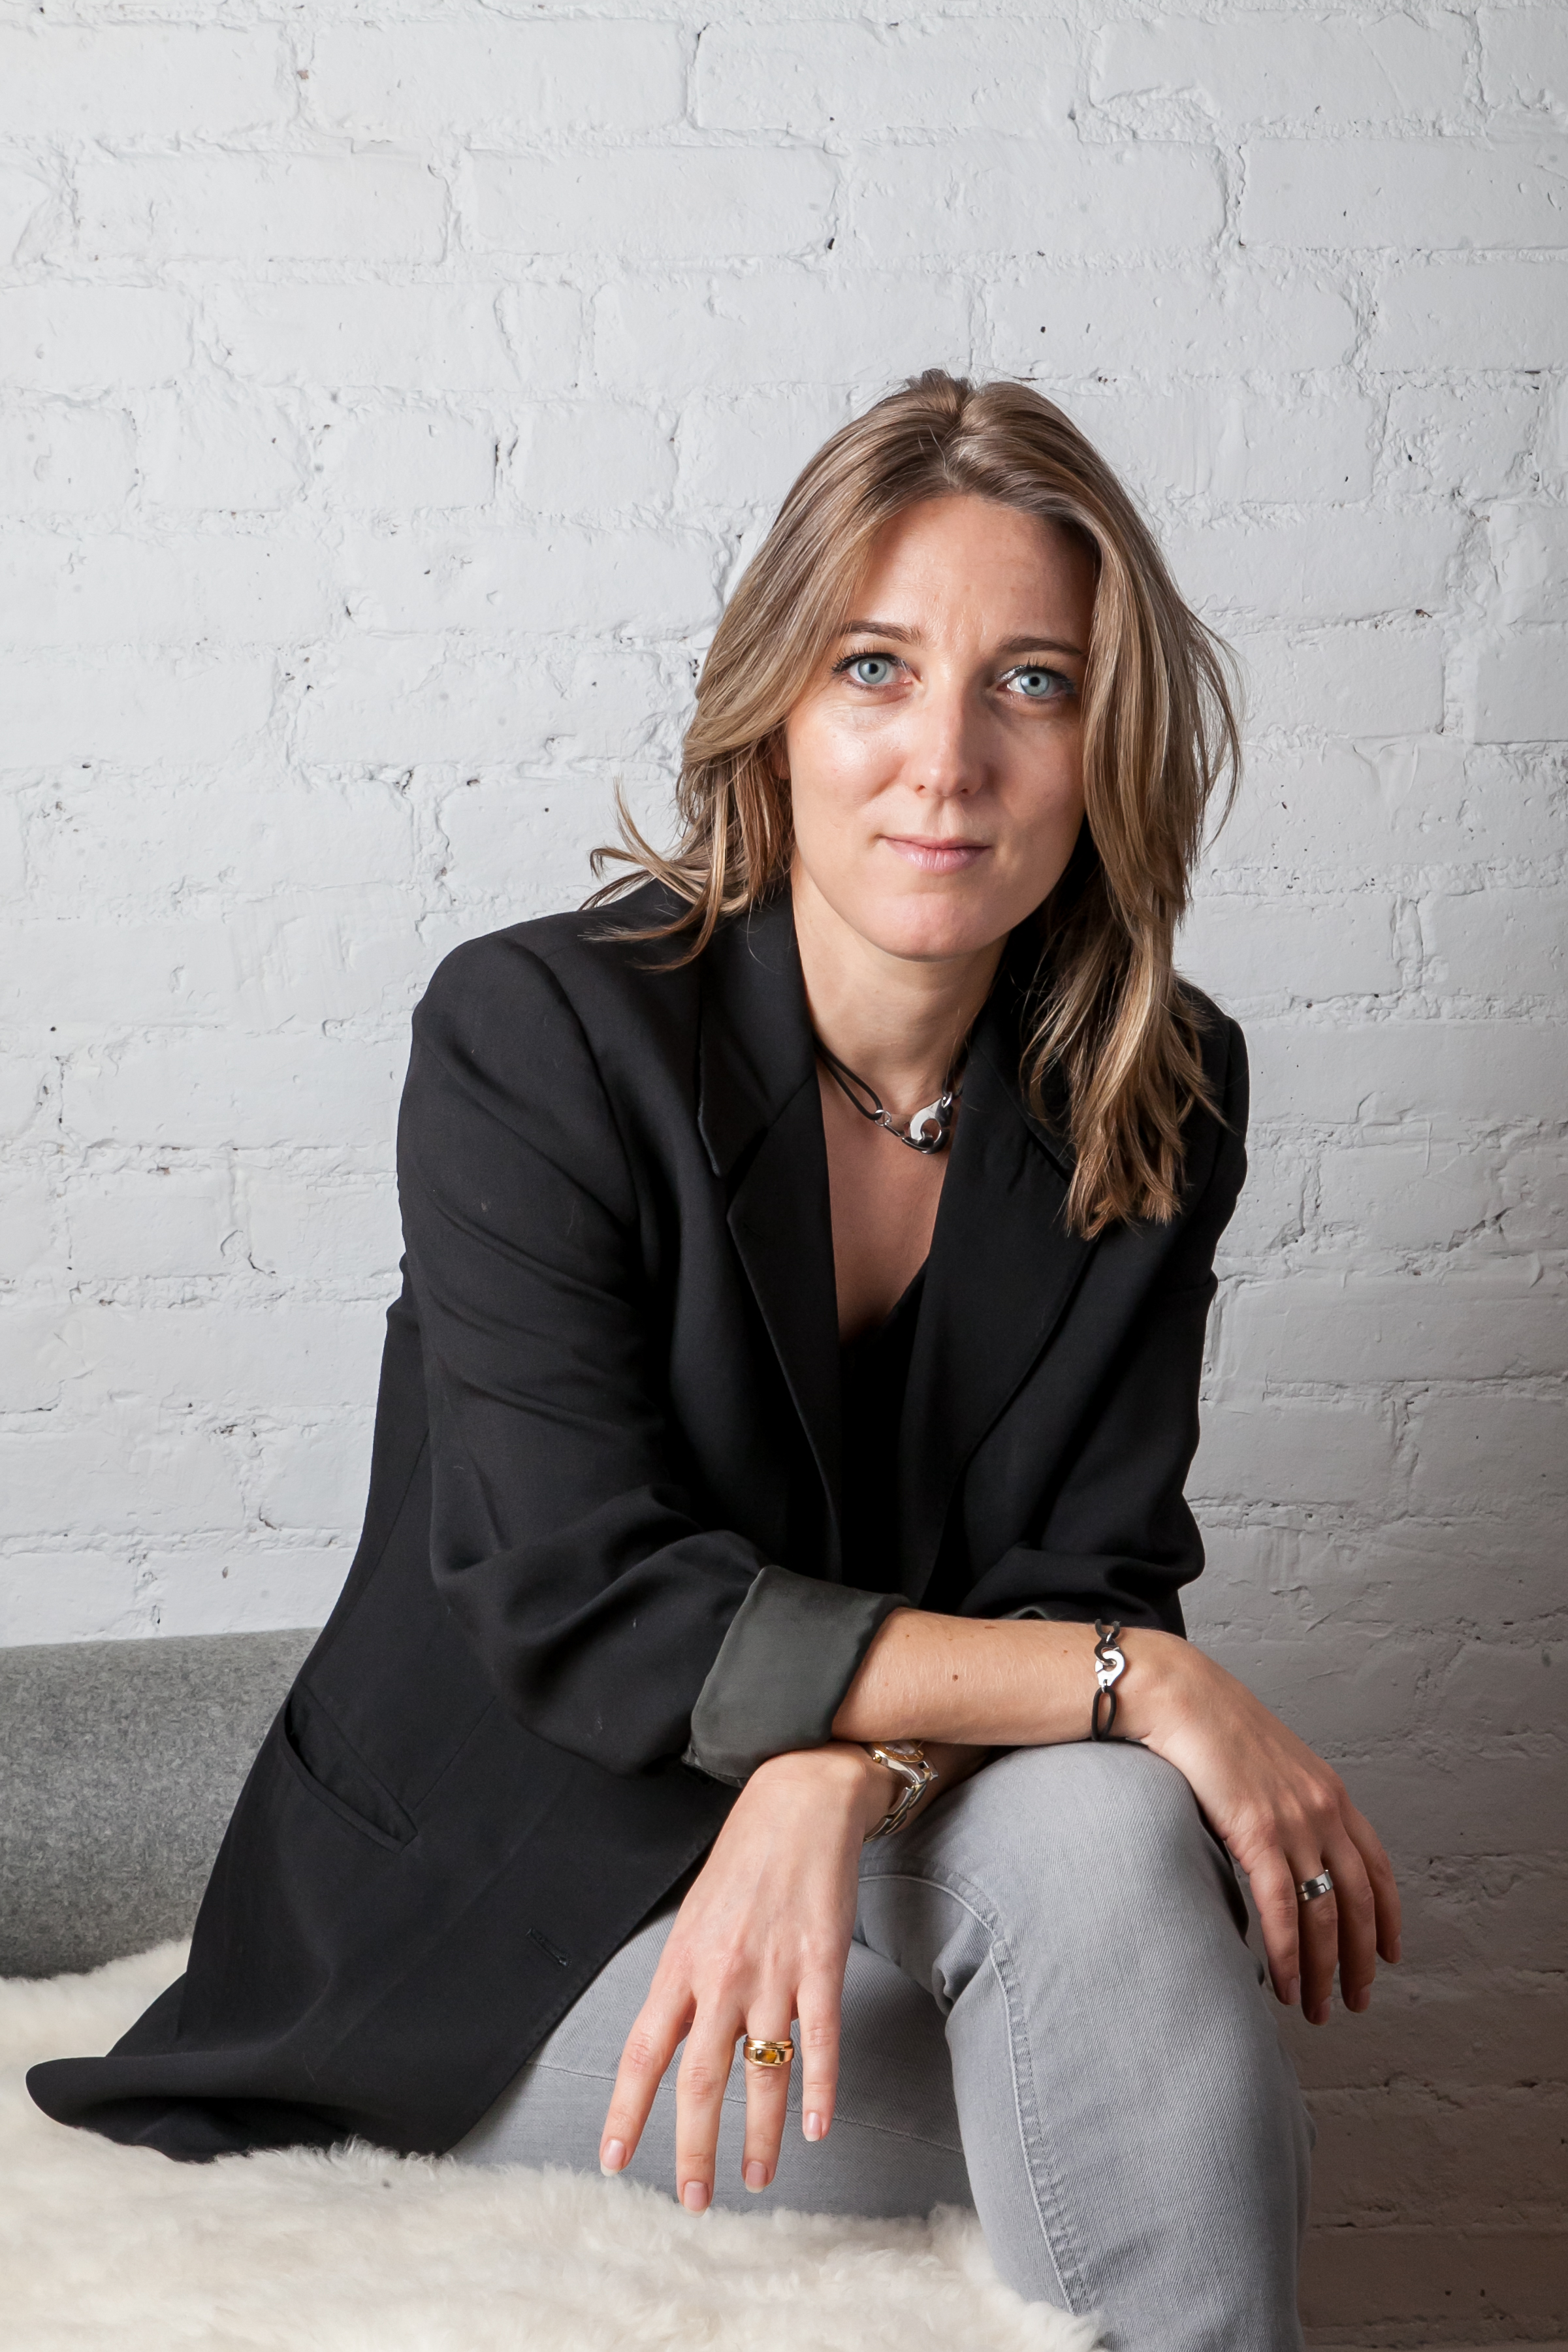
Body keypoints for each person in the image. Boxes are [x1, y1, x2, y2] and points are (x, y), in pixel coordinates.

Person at [30, 372, 1399, 2351]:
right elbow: (589, 1599)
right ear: (774, 706)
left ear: (1107, 739)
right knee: (1159, 2082)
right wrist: (1147, 1678)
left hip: (869, 1863)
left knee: (1111, 1857)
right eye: (874, 667)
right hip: (496, 1916)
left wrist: (848, 1768)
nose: (945, 760)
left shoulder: (1157, 1088)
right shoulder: (538, 1036)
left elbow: (1072, 1577)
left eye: (1029, 683)